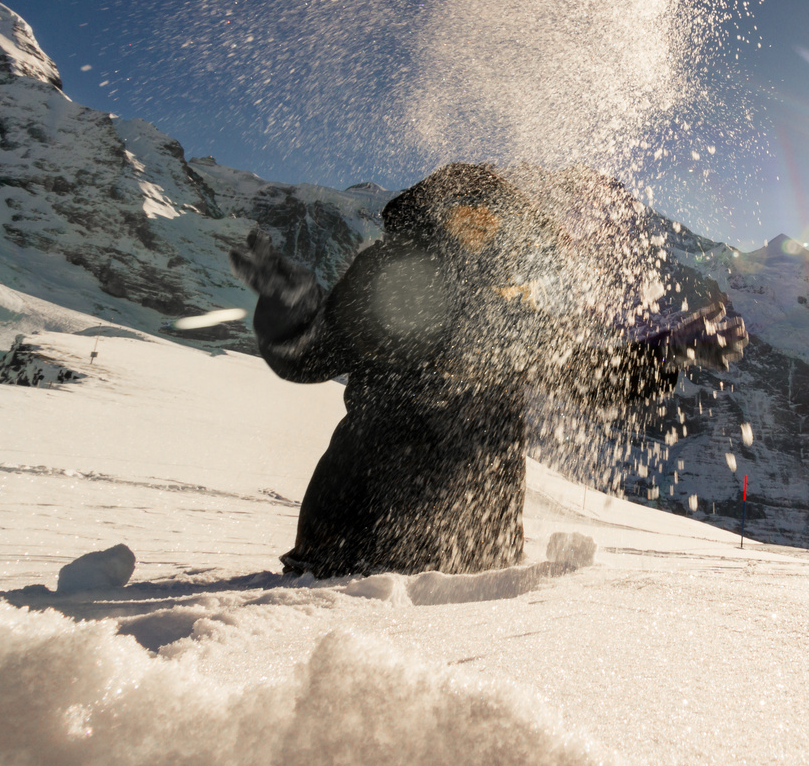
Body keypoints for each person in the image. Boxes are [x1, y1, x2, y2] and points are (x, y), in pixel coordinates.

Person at [231, 162, 746, 578]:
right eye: (463, 208)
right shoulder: (389, 279)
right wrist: (289, 302)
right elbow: (311, 356)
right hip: (354, 550)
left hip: (474, 562)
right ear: (434, 213)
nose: (479, 219)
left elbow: (589, 377)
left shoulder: (513, 309)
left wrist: (665, 352)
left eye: (492, 213)